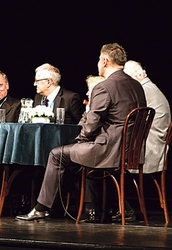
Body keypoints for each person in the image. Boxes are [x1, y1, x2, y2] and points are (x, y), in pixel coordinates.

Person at [16, 43, 146, 223]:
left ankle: (41, 208)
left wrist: (81, 140)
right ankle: (116, 208)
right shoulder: (136, 85)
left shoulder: (105, 86)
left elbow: (92, 123)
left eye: (99, 60)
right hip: (131, 150)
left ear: (105, 61)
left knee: (57, 154)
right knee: (76, 158)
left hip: (108, 150)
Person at [112, 60, 171, 222]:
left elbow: (129, 121)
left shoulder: (143, 91)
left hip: (149, 150)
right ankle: (120, 208)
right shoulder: (150, 88)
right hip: (154, 146)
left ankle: (124, 209)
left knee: (107, 161)